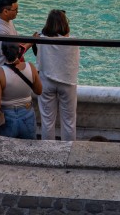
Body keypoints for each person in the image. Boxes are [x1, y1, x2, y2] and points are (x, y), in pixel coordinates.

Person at [35, 9, 79, 142]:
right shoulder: (73, 42)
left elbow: (37, 54)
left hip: (46, 81)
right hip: (68, 82)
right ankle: (68, 151)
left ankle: (48, 152)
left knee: (47, 121)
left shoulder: (41, 38)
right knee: (69, 121)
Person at [0, 42, 42, 140]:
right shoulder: (31, 67)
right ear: (19, 51)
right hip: (27, 113)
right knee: (29, 149)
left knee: (6, 150)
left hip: (7, 116)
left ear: (3, 53)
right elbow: (39, 91)